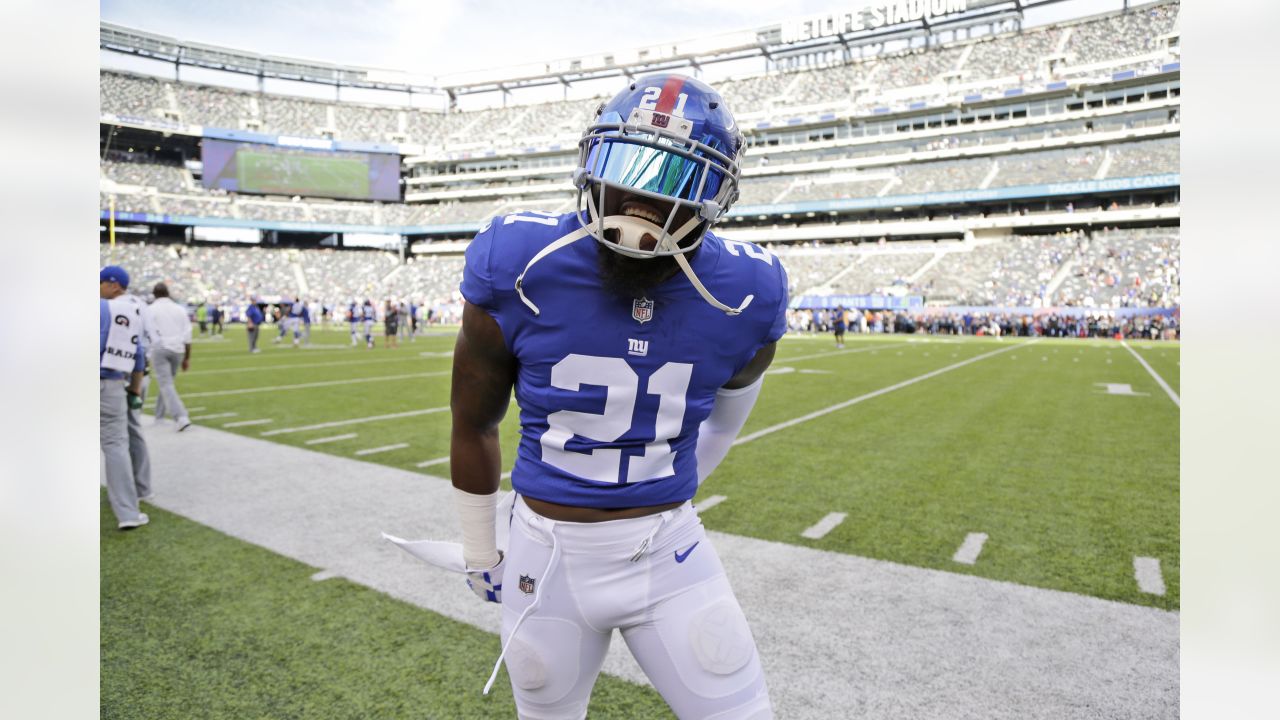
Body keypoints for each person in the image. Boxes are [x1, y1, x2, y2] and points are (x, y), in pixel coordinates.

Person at [449, 74, 781, 718]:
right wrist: (478, 550)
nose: (643, 198)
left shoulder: (748, 289)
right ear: (592, 163)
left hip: (669, 550)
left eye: (677, 181)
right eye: (628, 165)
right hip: (543, 557)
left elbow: (724, 424)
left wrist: (665, 501)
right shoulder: (518, 261)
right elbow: (473, 421)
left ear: (714, 197)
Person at [99, 266, 149, 530]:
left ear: (112, 284)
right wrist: (135, 390)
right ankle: (128, 513)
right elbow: (138, 355)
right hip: (110, 382)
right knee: (116, 446)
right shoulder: (124, 310)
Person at [145, 282, 194, 431]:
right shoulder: (179, 309)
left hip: (160, 347)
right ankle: (159, 416)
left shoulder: (150, 309)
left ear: (154, 295)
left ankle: (180, 416)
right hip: (178, 349)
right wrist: (187, 358)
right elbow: (188, 335)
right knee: (167, 383)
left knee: (166, 384)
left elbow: (146, 333)